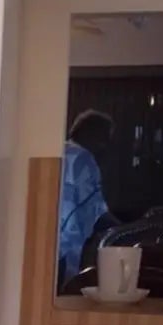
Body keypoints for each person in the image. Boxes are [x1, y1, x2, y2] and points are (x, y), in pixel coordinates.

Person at [58, 110, 114, 283]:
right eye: (104, 138)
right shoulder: (83, 159)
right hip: (66, 253)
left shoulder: (59, 150)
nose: (105, 146)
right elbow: (97, 212)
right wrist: (128, 229)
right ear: (91, 133)